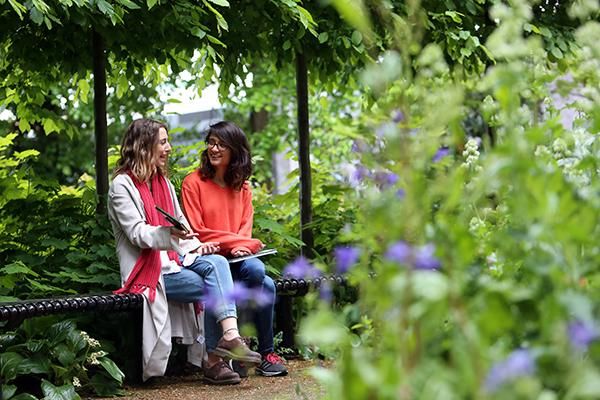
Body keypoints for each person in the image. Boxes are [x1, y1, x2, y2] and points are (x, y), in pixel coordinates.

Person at [107, 118, 261, 385]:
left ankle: (228, 339)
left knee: (217, 263)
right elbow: (137, 233)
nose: (169, 148)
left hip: (175, 260)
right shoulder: (122, 186)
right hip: (147, 271)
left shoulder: (163, 183)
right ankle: (213, 359)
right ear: (145, 147)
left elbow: (182, 225)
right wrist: (171, 235)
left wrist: (198, 245)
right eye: (163, 142)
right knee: (213, 282)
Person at [181, 121, 288, 377]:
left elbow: (245, 229)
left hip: (238, 257)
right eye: (211, 143)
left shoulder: (243, 187)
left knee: (256, 268)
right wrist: (242, 243)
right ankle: (253, 350)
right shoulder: (193, 183)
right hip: (209, 259)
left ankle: (254, 351)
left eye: (221, 144)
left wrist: (243, 246)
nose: (214, 149)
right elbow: (198, 231)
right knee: (268, 284)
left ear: (235, 150)